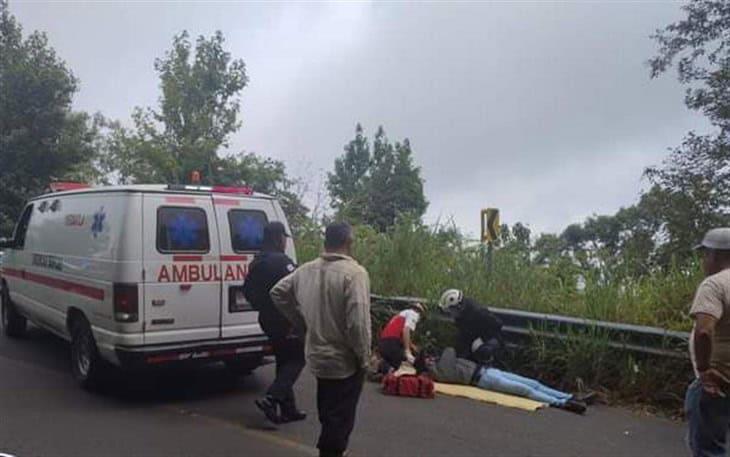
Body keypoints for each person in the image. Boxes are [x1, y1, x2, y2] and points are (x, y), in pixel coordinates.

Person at [271, 222, 371, 457]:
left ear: (325, 242)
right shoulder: (355, 274)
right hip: (345, 360)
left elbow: (278, 292)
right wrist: (364, 358)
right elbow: (358, 323)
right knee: (340, 419)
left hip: (317, 355)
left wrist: (301, 322)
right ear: (349, 243)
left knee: (328, 411)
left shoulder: (305, 270)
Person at [242, 221, 306, 424]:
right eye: (284, 238)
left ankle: (288, 409)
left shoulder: (257, 261)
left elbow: (247, 291)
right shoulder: (282, 262)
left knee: (284, 358)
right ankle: (272, 398)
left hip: (266, 318)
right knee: (297, 358)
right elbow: (298, 289)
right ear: (279, 238)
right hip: (284, 318)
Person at [428, 347, 586, 414]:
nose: (429, 359)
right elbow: (450, 351)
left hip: (489, 372)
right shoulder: (440, 371)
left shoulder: (440, 365)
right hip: (484, 379)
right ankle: (562, 403)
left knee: (532, 383)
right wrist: (435, 359)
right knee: (525, 390)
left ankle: (567, 397)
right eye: (426, 360)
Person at [685, 228, 730, 457]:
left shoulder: (714, 285)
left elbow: (704, 331)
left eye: (705, 255)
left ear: (716, 255)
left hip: (718, 384)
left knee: (708, 449)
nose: (704, 261)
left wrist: (704, 370)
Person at [439, 289, 504, 364]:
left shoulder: (478, 312)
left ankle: (487, 367)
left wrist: (482, 339)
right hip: (474, 337)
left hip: (491, 338)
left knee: (484, 351)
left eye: (451, 310)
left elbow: (498, 324)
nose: (450, 313)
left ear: (458, 306)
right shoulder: (460, 316)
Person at [378, 302, 426, 371]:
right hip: (392, 343)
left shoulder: (402, 314)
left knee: (393, 366)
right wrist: (407, 350)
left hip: (384, 344)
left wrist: (411, 345)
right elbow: (406, 330)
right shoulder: (414, 314)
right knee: (406, 364)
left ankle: (383, 368)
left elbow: (402, 335)